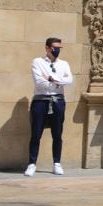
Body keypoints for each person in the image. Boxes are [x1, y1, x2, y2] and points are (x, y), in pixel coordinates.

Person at [25, 37, 74, 177]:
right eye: (54, 48)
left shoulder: (64, 64)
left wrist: (52, 79)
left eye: (59, 48)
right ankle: (32, 164)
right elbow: (39, 82)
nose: (57, 50)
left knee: (57, 134)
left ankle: (56, 163)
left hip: (58, 100)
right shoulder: (37, 62)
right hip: (41, 101)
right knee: (36, 134)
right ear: (47, 48)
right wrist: (59, 82)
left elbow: (69, 80)